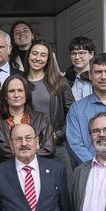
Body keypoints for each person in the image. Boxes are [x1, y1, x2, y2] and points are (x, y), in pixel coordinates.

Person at [24, 40, 75, 170]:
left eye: (43, 55)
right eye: (34, 53)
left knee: (65, 186)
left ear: (48, 60)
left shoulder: (60, 82)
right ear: (28, 55)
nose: (38, 58)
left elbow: (73, 114)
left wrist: (57, 134)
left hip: (56, 146)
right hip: (26, 146)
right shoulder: (19, 82)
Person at [0, 74, 54, 164]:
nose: (16, 95)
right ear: (5, 96)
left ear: (26, 94)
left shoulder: (41, 119)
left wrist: (19, 152)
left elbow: (48, 149)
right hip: (7, 169)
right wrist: (29, 152)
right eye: (11, 91)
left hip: (38, 168)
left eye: (20, 90)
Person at [64, 37, 96, 101]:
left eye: (81, 53)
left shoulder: (99, 76)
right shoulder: (64, 79)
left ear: (91, 54)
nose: (77, 57)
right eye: (74, 53)